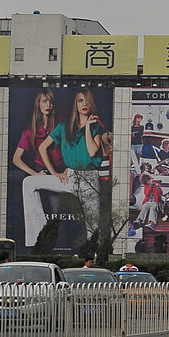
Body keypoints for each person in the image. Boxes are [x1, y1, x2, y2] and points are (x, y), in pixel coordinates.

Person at [27, 88, 108, 248]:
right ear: (75, 104)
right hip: (69, 176)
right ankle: (36, 237)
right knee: (29, 183)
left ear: (91, 104)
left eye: (87, 101)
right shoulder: (64, 126)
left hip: (89, 178)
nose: (84, 104)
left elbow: (92, 151)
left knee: (93, 225)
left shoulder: (95, 127)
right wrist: (53, 172)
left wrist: (86, 128)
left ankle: (93, 258)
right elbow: (43, 147)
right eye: (80, 100)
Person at [13, 88, 64, 245]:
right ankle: (38, 242)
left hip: (59, 171)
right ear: (38, 104)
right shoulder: (30, 129)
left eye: (50, 101)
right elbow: (16, 159)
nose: (48, 104)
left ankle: (52, 245)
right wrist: (33, 173)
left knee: (56, 212)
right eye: (44, 101)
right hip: (41, 170)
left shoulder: (61, 122)